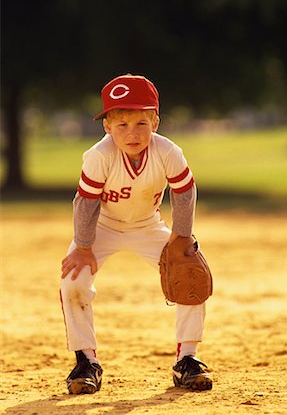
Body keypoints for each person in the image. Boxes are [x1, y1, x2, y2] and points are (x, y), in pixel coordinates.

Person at [60, 74, 212, 394]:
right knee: (73, 281)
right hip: (101, 228)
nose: (132, 133)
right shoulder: (99, 156)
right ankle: (86, 360)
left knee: (190, 274)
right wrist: (84, 247)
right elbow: (85, 204)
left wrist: (182, 237)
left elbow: (184, 192)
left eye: (141, 123)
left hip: (147, 226)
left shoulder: (168, 151)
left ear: (155, 122)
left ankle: (187, 358)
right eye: (122, 124)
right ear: (107, 127)